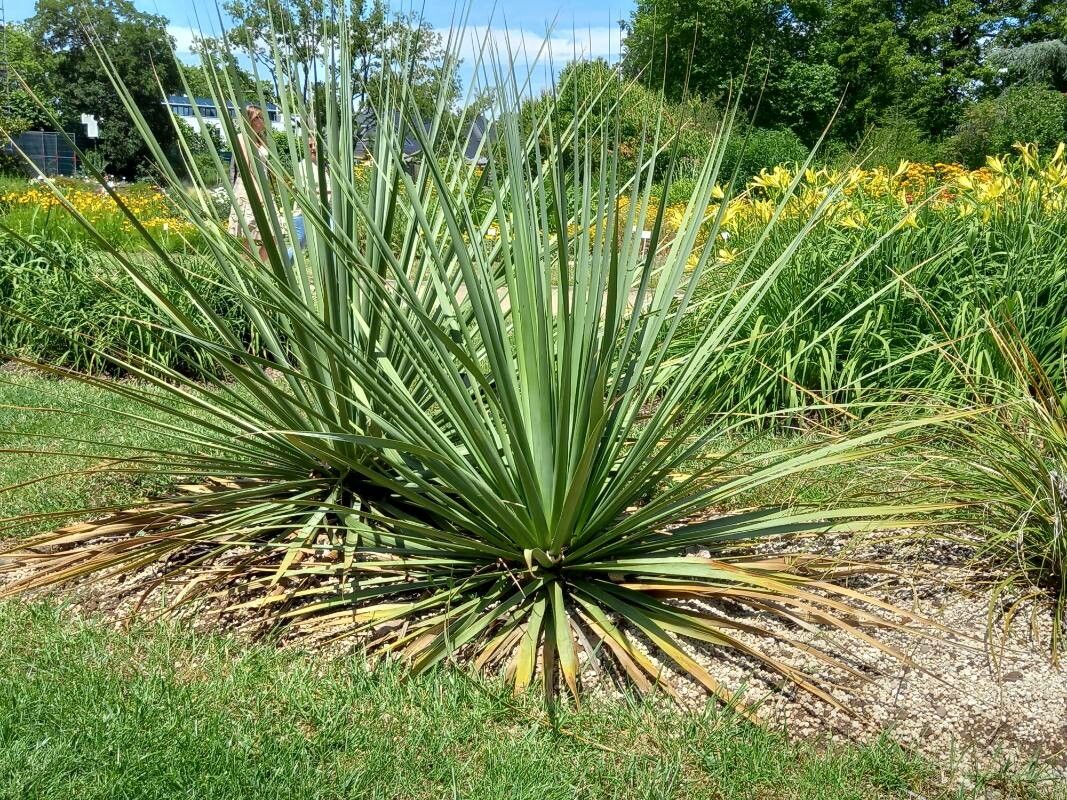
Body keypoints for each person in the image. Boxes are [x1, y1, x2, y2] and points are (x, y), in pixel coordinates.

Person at [227, 104, 271, 260]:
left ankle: (255, 270)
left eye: (262, 117)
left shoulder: (261, 140)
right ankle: (248, 273)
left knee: (273, 237)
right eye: (257, 117)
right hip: (249, 190)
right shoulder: (242, 138)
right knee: (250, 237)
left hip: (263, 190)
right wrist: (258, 194)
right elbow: (246, 169)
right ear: (249, 120)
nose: (261, 121)